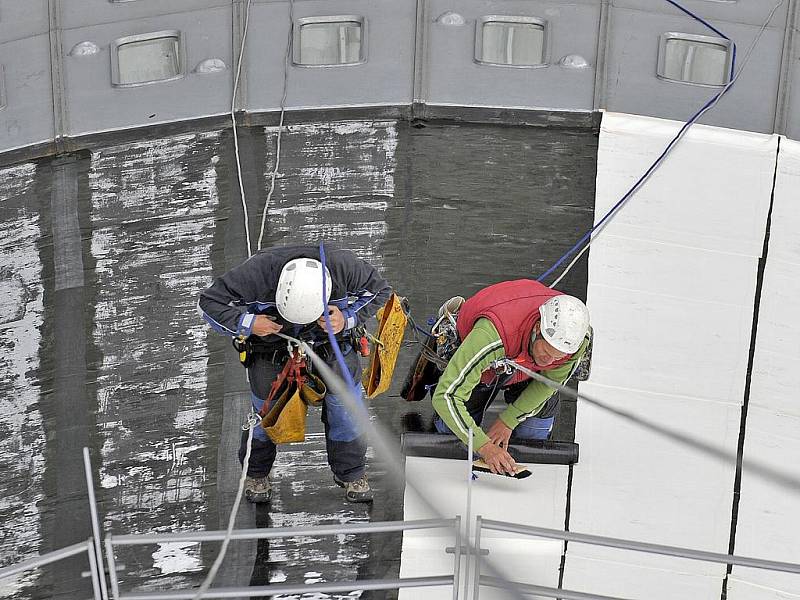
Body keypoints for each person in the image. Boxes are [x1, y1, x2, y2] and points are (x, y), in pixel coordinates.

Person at [198, 245, 392, 503]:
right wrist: (250, 324)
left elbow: (381, 291)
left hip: (330, 341)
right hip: (270, 344)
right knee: (265, 411)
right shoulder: (257, 273)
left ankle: (351, 472)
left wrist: (346, 318)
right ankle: (257, 473)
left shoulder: (344, 267)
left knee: (347, 408)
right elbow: (209, 303)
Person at [431, 279, 590, 476]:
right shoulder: (492, 335)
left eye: (558, 357)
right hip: (487, 363)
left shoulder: (576, 343)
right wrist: (484, 447)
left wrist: (508, 420)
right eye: (547, 352)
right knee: (450, 433)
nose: (549, 362)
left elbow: (548, 385)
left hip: (525, 365)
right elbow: (447, 396)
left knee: (534, 432)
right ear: (537, 328)